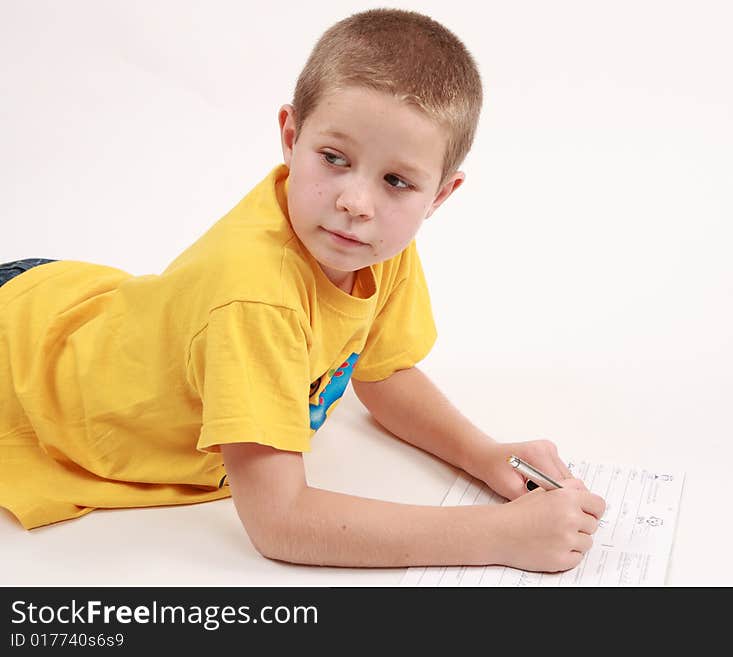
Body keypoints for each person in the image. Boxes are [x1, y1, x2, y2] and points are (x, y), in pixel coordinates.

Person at [0, 8, 604, 573]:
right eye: (334, 158)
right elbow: (280, 521)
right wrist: (496, 536)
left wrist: (484, 455)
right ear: (291, 136)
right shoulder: (255, 299)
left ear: (439, 195)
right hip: (21, 357)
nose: (356, 203)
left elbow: (380, 372)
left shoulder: (373, 244)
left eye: (397, 181)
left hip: (79, 312)